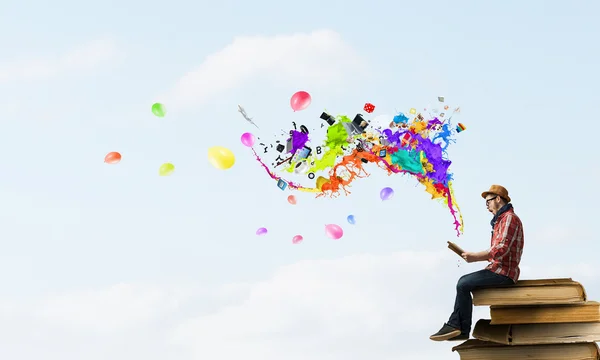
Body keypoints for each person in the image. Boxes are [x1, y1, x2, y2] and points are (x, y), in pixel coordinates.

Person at [429, 185, 524, 341]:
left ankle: (458, 327)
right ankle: (460, 328)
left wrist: (475, 257)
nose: (486, 205)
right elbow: (497, 249)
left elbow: (502, 248)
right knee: (464, 283)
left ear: (498, 199)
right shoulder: (499, 221)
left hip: (503, 273)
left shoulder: (509, 218)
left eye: (488, 201)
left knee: (463, 283)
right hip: (497, 269)